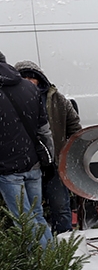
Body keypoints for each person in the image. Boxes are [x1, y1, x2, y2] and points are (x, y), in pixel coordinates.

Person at [14, 60, 82, 234]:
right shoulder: (10, 99)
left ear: (40, 79)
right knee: (30, 212)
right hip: (25, 165)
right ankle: (39, 251)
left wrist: (66, 155)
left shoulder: (56, 99)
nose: (29, 81)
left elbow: (74, 129)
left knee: (60, 207)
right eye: (24, 77)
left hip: (54, 164)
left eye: (32, 77)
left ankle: (64, 246)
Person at [0, 56, 54, 247]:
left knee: (24, 221)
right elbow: (44, 129)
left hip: (7, 168)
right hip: (33, 162)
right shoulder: (29, 87)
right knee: (37, 215)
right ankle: (54, 265)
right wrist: (49, 158)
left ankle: (41, 268)